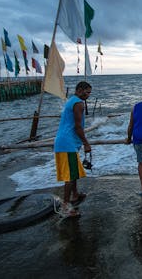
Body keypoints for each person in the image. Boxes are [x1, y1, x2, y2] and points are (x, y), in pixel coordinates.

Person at [54, 81, 92, 218]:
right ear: (80, 90)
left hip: (65, 141)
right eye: (87, 92)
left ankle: (75, 195)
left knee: (73, 171)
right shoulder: (78, 104)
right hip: (67, 143)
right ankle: (65, 206)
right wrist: (86, 143)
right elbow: (78, 127)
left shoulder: (71, 100)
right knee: (70, 176)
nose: (88, 95)